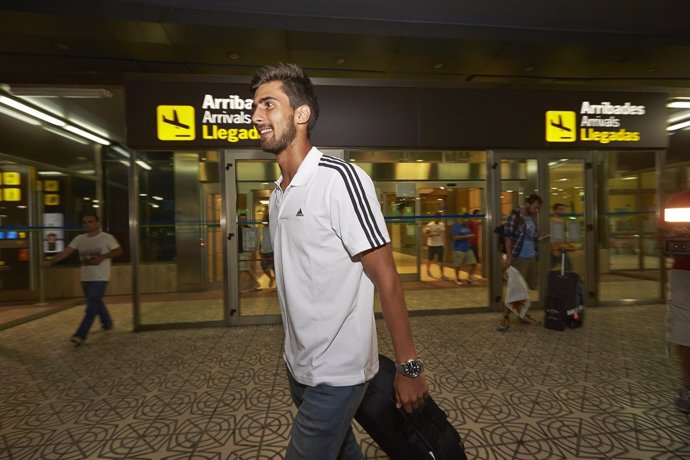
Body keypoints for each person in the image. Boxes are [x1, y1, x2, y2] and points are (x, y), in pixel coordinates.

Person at [250, 62, 428, 459]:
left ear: (301, 114)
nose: (256, 115)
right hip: (298, 366)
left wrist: (408, 368)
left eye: (267, 104)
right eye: (255, 107)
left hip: (338, 372)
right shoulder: (279, 193)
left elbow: (388, 279)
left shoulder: (340, 179)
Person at [42, 213, 122, 346]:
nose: (87, 224)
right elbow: (65, 252)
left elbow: (118, 251)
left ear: (97, 223)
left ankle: (80, 334)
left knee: (91, 307)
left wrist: (103, 257)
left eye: (90, 221)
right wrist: (51, 261)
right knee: (96, 302)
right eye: (84, 222)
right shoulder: (79, 238)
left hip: (100, 277)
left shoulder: (106, 238)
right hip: (85, 277)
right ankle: (107, 323)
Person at [498, 194, 549, 331]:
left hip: (531, 257)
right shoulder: (514, 216)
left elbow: (531, 236)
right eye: (535, 207)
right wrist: (509, 256)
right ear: (527, 204)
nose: (537, 210)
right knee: (514, 288)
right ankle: (505, 317)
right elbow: (508, 237)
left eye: (538, 208)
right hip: (518, 258)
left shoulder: (531, 218)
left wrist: (540, 237)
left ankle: (523, 314)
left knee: (524, 289)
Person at [663, 190, 690, 413]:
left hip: (684, 275)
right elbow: (665, 238)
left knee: (685, 330)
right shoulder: (680, 201)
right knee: (685, 331)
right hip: (685, 274)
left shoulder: (680, 201)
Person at [451, 218, 478, 285]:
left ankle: (469, 279)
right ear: (462, 219)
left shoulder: (466, 227)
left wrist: (470, 237)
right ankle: (457, 278)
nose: (468, 221)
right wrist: (467, 236)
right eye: (467, 220)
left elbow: (467, 235)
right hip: (458, 249)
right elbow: (455, 237)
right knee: (458, 265)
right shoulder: (456, 227)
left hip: (467, 248)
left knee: (473, 263)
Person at [550, 203, 575, 271]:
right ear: (554, 210)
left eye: (563, 209)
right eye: (560, 209)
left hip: (560, 248)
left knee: (554, 267)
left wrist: (568, 244)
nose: (562, 211)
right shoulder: (555, 221)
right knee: (567, 267)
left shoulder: (560, 221)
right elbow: (554, 237)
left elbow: (561, 236)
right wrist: (555, 249)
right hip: (557, 249)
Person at [424, 213, 449, 280]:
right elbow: (426, 234)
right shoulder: (430, 225)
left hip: (440, 244)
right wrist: (434, 234)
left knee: (440, 260)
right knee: (430, 259)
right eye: (437, 217)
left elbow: (443, 234)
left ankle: (442, 274)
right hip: (431, 245)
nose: (438, 219)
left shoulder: (442, 225)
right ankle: (428, 270)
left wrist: (444, 243)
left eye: (439, 218)